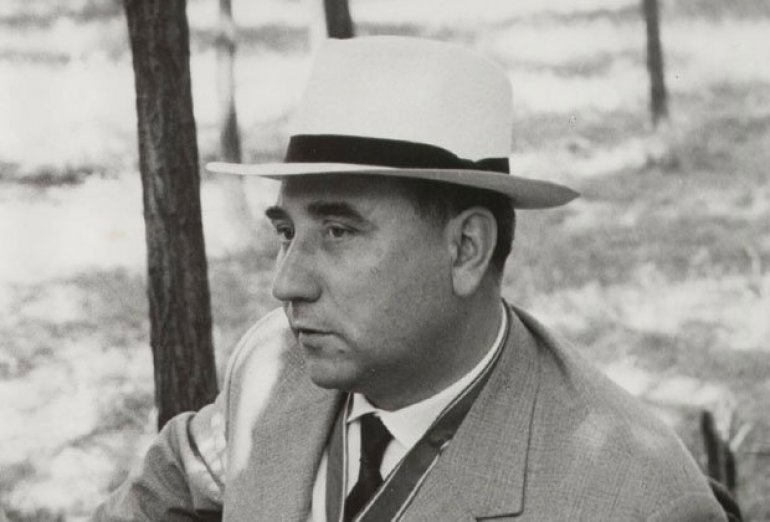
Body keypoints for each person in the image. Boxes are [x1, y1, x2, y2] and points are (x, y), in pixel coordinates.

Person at [94, 36, 731, 521]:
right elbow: (172, 482)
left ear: (466, 249)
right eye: (286, 231)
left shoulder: (627, 497)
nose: (285, 285)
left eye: (338, 231)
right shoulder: (272, 363)